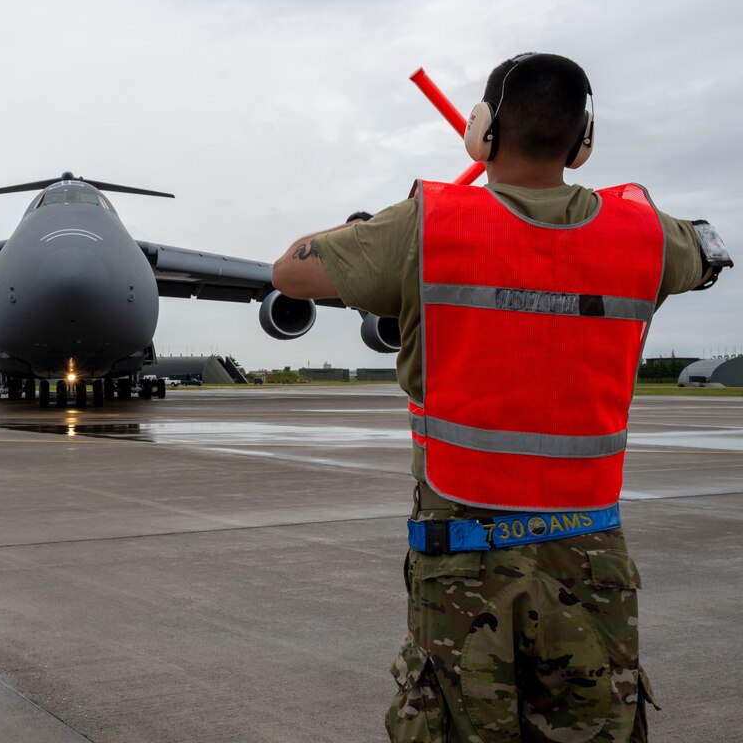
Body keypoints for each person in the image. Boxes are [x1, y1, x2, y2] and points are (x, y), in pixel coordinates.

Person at [272, 53, 732, 742]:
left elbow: (291, 270)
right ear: (583, 141)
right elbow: (709, 253)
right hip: (591, 556)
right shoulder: (644, 235)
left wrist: (367, 229)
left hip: (464, 556)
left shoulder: (425, 226)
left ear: (481, 130)